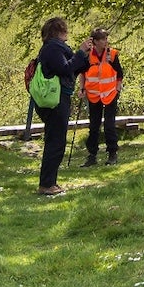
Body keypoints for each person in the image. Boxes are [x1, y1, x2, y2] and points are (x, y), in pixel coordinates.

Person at [29, 16, 78, 196]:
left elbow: (72, 68)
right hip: (55, 100)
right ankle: (47, 184)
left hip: (55, 98)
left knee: (55, 139)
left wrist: (82, 57)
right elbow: (65, 69)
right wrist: (80, 54)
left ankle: (51, 182)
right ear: (59, 32)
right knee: (55, 141)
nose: (67, 34)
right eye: (65, 30)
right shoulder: (53, 48)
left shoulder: (50, 48)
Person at [80, 26, 123, 168]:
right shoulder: (87, 55)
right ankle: (92, 155)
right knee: (94, 125)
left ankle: (112, 154)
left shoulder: (112, 54)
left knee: (109, 124)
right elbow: (82, 73)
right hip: (93, 95)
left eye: (106, 38)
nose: (106, 41)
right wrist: (82, 89)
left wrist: (117, 88)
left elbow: (119, 73)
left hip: (110, 94)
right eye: (103, 39)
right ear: (96, 41)